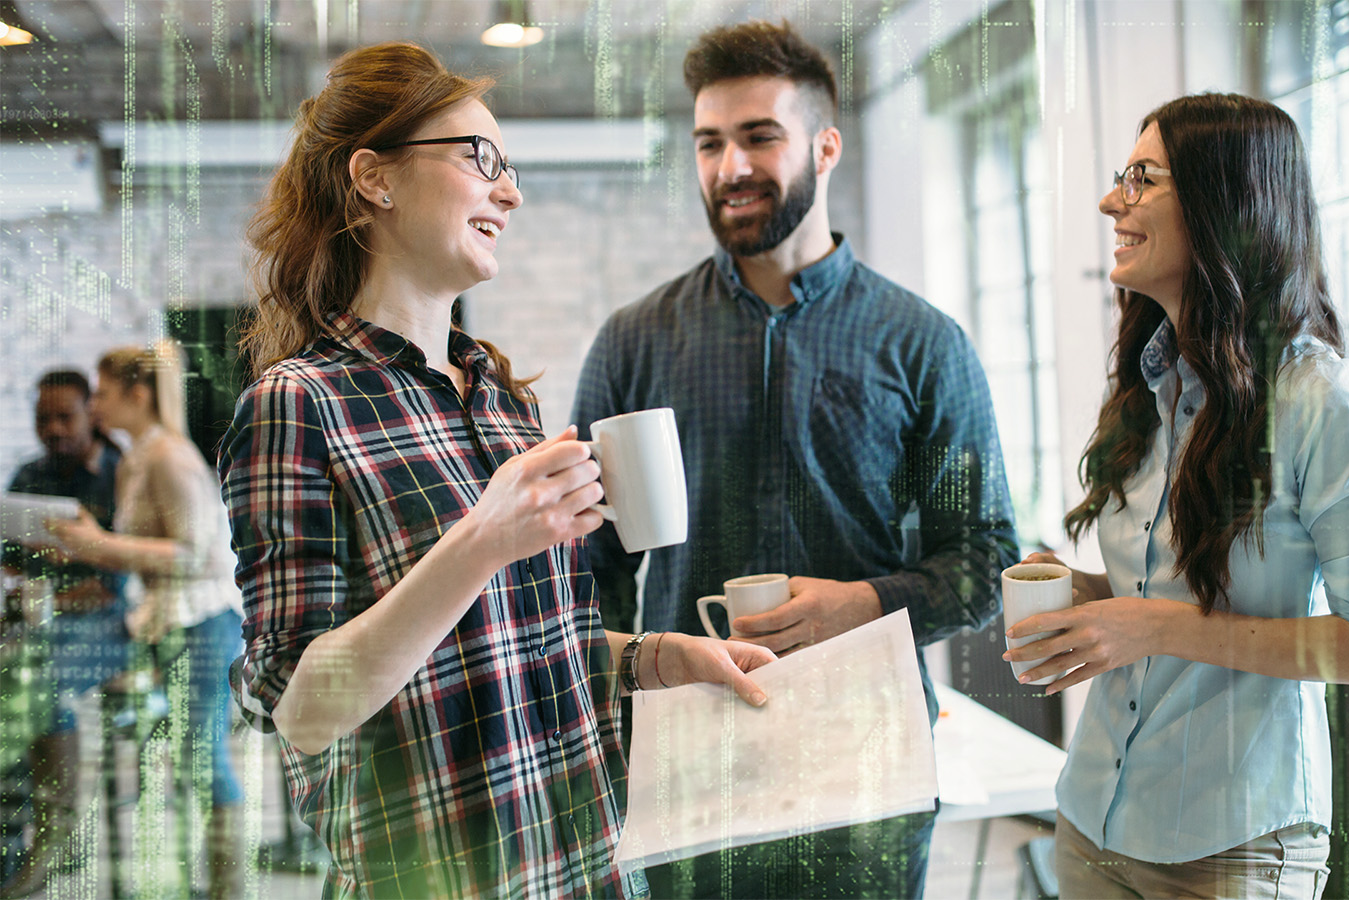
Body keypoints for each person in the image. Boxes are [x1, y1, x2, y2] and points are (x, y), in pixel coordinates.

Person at [217, 41, 774, 899]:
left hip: (587, 872)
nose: (510, 191)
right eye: (481, 158)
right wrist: (483, 539)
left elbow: (515, 648)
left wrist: (657, 658)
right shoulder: (297, 404)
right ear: (375, 177)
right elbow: (296, 706)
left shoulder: (502, 397)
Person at [571, 20, 1018, 900]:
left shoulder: (921, 342)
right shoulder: (634, 343)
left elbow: (989, 558)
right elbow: (584, 567)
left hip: (869, 763)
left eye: (759, 136)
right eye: (710, 143)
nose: (731, 166)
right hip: (690, 758)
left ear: (824, 145)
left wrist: (864, 604)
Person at [1002, 93, 1349, 899]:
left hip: (1232, 843)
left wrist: (1152, 625)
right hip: (1092, 816)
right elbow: (1160, 595)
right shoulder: (1149, 381)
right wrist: (1088, 598)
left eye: (1141, 178)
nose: (1109, 200)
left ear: (1223, 204)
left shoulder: (1318, 402)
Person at [44, 343, 248, 897]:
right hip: (161, 620)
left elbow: (196, 556)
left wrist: (100, 545)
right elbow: (144, 543)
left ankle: (230, 889)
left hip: (205, 621)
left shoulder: (171, 458)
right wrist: (92, 537)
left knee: (200, 757)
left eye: (103, 394)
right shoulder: (136, 456)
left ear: (137, 395)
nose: (96, 407)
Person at [0, 370, 131, 898]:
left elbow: (113, 584)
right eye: (42, 419)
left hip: (113, 624)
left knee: (40, 681)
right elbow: (8, 560)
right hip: (42, 622)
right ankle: (12, 841)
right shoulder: (30, 475)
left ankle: (55, 833)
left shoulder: (121, 475)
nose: (52, 429)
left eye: (64, 417)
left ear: (91, 416)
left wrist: (55, 575)